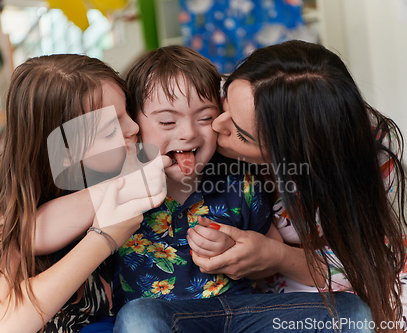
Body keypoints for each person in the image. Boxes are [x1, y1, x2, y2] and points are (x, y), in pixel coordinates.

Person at [114, 40, 405, 332]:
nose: (212, 126)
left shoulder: (245, 185)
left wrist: (269, 255)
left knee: (358, 314)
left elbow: (357, 264)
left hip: (277, 295)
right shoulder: (194, 91)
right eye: (222, 105)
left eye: (209, 117)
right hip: (166, 312)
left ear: (289, 152)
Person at [0, 54, 169, 333]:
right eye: (109, 130)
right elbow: (8, 324)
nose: (134, 128)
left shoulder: (119, 167)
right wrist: (105, 235)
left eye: (128, 111)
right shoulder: (10, 200)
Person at [115, 45, 281, 303]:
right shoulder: (118, 190)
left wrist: (233, 253)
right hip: (152, 319)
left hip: (235, 312)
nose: (189, 133)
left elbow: (271, 264)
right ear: (133, 125)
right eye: (168, 122)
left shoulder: (240, 184)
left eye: (205, 118)